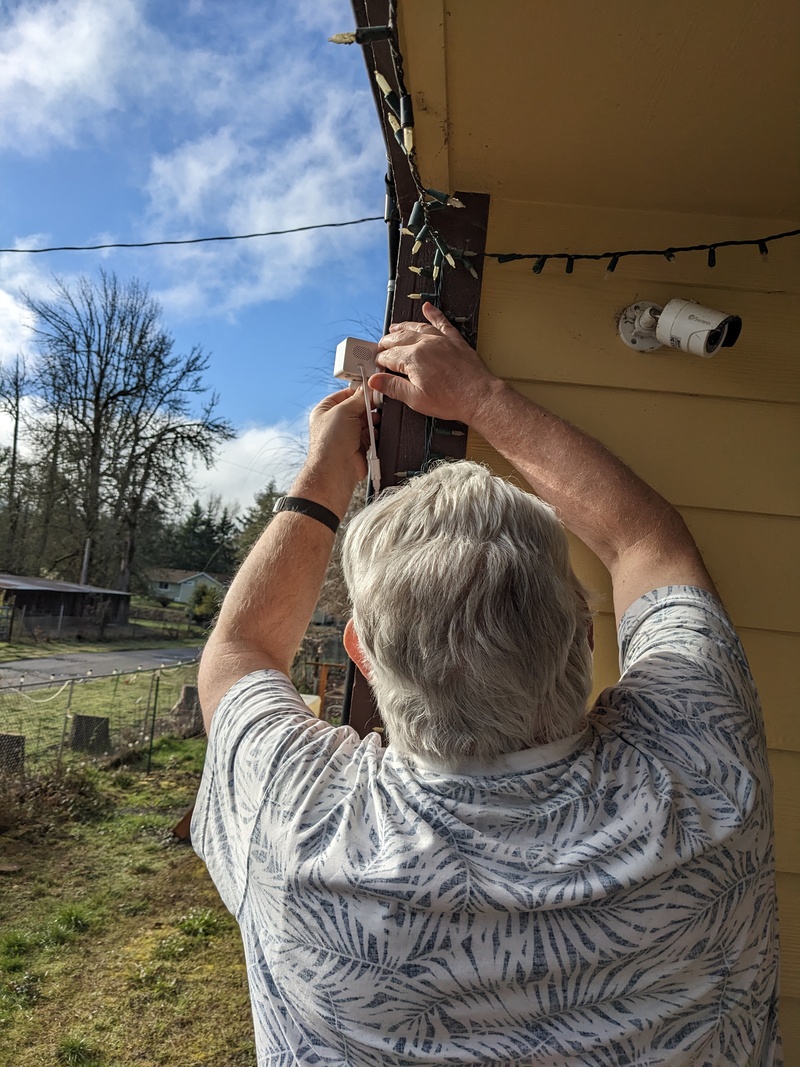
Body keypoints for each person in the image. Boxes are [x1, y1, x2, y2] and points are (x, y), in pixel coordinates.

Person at [192, 303, 781, 1066]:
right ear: (588, 634)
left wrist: (328, 469)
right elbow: (645, 542)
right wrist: (482, 399)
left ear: (361, 657)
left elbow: (239, 648)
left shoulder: (297, 825)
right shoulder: (703, 778)